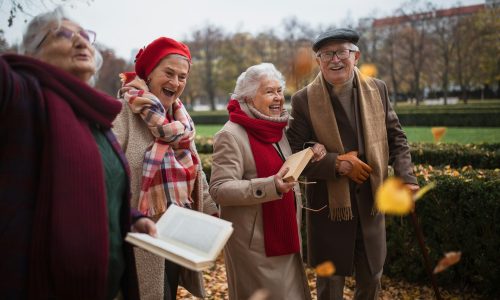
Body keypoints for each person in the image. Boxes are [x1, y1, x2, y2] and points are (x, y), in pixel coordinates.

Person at [0, 7, 157, 300]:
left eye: (85, 36)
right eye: (62, 33)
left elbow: (100, 186)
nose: (80, 41)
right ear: (31, 53)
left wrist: (130, 218)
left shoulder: (94, 118)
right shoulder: (21, 96)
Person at [286, 28, 420, 300]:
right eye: (326, 54)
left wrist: (407, 176)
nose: (335, 59)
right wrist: (336, 165)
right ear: (318, 61)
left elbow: (397, 138)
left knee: (371, 282)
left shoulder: (378, 89)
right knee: (329, 290)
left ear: (355, 56)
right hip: (329, 212)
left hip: (370, 205)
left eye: (342, 52)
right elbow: (292, 155)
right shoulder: (303, 100)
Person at [112, 37, 219, 300]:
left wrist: (214, 208)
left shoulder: (181, 119)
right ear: (148, 73)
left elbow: (197, 174)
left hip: (176, 232)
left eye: (182, 76)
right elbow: (108, 174)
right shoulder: (123, 113)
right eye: (168, 73)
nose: (176, 82)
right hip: (138, 235)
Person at [209, 63, 327, 300]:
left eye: (279, 92)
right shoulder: (230, 134)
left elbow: (282, 166)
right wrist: (270, 186)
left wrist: (310, 152)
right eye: (269, 92)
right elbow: (219, 189)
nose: (278, 99)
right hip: (254, 246)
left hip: (284, 233)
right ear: (249, 98)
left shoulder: (277, 128)